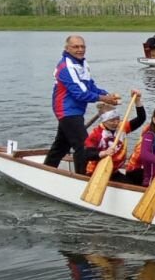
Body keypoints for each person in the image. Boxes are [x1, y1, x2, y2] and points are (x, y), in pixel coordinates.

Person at [45, 35, 121, 175]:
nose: (80, 50)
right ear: (67, 49)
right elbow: (79, 93)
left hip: (76, 110)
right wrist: (103, 98)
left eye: (82, 47)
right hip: (66, 110)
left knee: (62, 145)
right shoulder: (66, 67)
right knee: (83, 145)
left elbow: (89, 86)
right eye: (75, 47)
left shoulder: (82, 64)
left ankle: (47, 168)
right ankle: (81, 177)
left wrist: (106, 95)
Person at [84, 90, 146, 178]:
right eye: (112, 120)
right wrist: (103, 153)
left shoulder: (122, 127)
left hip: (114, 170)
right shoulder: (96, 133)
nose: (116, 122)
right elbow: (87, 154)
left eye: (117, 119)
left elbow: (141, 119)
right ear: (104, 121)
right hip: (96, 171)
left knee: (130, 183)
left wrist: (137, 101)